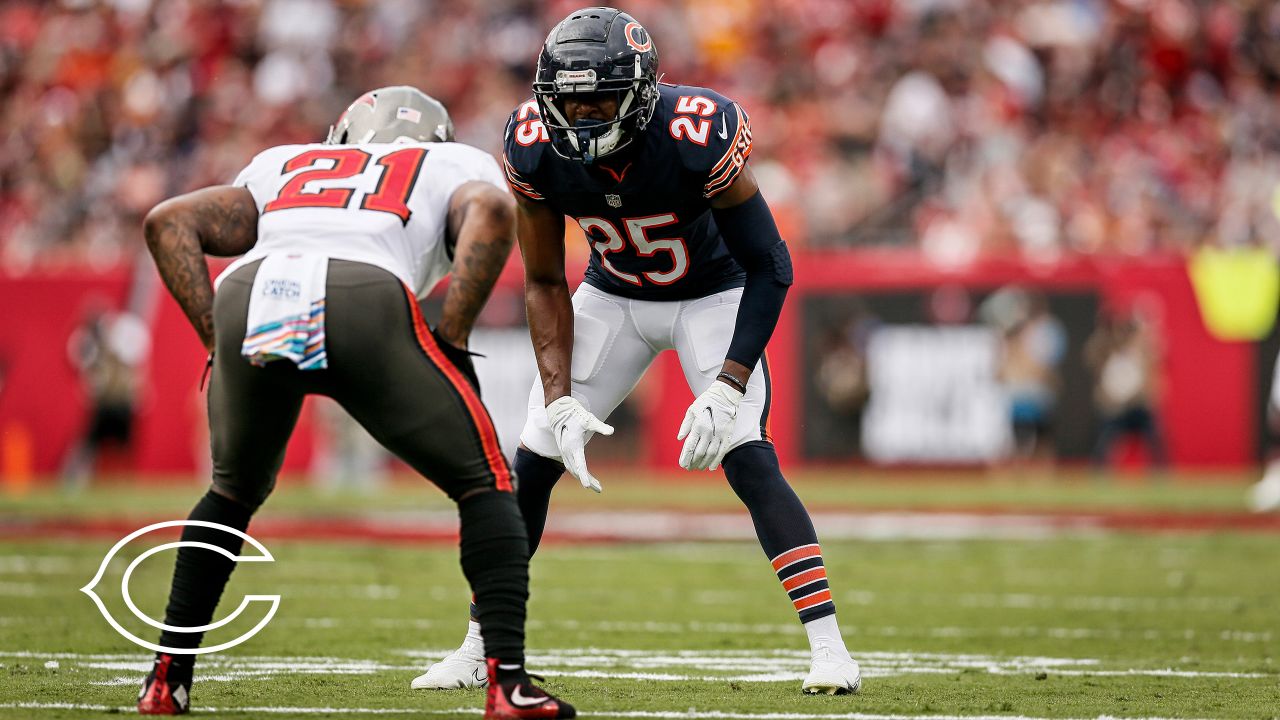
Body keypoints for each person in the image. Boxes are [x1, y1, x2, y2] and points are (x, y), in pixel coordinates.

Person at [414, 8, 861, 696]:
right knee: (531, 459)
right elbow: (541, 278)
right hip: (614, 296)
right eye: (567, 99)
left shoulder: (696, 134)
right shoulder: (533, 145)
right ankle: (481, 645)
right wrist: (558, 395)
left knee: (746, 455)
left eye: (597, 98)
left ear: (642, 92)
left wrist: (728, 385)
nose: (580, 115)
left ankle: (830, 649)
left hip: (714, 293)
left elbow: (770, 263)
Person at [137, 86, 575, 719]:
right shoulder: (451, 162)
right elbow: (493, 215)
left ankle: (165, 681)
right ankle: (506, 686)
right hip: (362, 293)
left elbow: (166, 221)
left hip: (253, 295)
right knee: (487, 483)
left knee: (230, 491)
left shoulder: (282, 161)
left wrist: (216, 337)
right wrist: (450, 337)